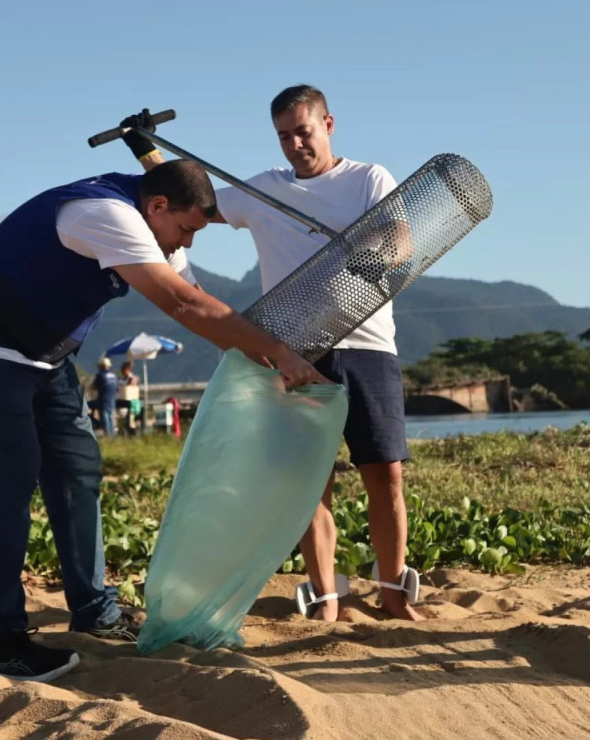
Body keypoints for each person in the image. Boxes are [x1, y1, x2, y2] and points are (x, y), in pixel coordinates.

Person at [0, 158, 328, 683]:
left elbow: (204, 302)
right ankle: (1, 640)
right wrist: (280, 353)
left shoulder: (155, 226)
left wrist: (264, 364)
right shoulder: (103, 215)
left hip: (47, 353)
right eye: (186, 230)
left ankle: (94, 611)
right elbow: (185, 305)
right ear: (157, 207)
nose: (186, 245)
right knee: (12, 477)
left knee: (77, 470)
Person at [120, 87, 422, 622]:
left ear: (328, 123)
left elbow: (400, 233)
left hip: (367, 344)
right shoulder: (262, 191)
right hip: (296, 352)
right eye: (284, 136)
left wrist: (383, 255)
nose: (296, 144)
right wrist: (148, 152)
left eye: (304, 131)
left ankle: (393, 592)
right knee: (310, 481)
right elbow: (191, 204)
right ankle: (327, 598)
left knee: (386, 473)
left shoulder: (368, 179)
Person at [92, 357, 119, 436]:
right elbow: (117, 388)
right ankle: (112, 434)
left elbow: (94, 386)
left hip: (103, 399)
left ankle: (107, 435)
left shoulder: (100, 375)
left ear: (101, 366)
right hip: (112, 400)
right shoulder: (114, 375)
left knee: (105, 418)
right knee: (111, 417)